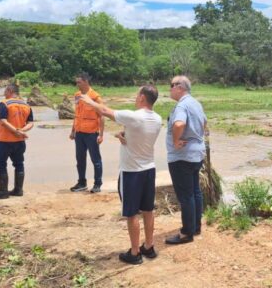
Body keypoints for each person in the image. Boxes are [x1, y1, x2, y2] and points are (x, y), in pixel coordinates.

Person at [80, 85, 162, 265]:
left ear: (142, 97)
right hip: (149, 169)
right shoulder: (157, 119)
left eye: (136, 94)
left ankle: (134, 253)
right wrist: (122, 135)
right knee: (148, 210)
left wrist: (88, 101)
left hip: (132, 172)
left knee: (131, 213)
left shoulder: (133, 116)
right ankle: (148, 246)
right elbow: (140, 136)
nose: (135, 97)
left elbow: (104, 110)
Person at [165, 75, 207, 245]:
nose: (170, 88)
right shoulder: (196, 103)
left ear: (180, 87)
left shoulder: (182, 105)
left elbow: (179, 124)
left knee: (186, 195)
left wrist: (176, 141)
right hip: (196, 154)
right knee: (195, 192)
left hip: (182, 156)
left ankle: (186, 233)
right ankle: (195, 226)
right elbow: (205, 123)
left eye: (171, 85)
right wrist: (196, 137)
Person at [0, 83, 34, 199]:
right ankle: (18, 190)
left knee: (1, 165)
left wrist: (15, 131)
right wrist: (21, 131)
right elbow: (31, 123)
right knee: (19, 164)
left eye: (5, 90)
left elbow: (3, 121)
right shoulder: (26, 105)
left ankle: (3, 191)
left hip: (5, 140)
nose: (4, 93)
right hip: (20, 141)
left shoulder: (4, 103)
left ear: (9, 90)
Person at [69, 72, 104, 193]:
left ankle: (97, 184)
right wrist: (72, 131)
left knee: (96, 160)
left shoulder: (95, 97)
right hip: (79, 133)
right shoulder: (77, 95)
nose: (77, 84)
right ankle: (82, 182)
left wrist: (101, 134)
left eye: (79, 82)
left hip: (91, 133)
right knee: (80, 159)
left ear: (86, 82)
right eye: (76, 82)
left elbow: (102, 116)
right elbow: (76, 114)